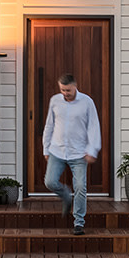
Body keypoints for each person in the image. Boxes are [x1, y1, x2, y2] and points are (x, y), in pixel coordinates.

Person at [42, 73, 101, 235]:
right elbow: (49, 125)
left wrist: (92, 149)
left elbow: (94, 126)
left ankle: (79, 222)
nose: (65, 93)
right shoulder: (55, 101)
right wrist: (46, 148)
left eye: (68, 90)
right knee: (50, 182)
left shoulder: (87, 102)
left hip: (79, 152)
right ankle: (66, 196)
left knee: (81, 187)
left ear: (75, 86)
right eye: (62, 90)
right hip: (57, 150)